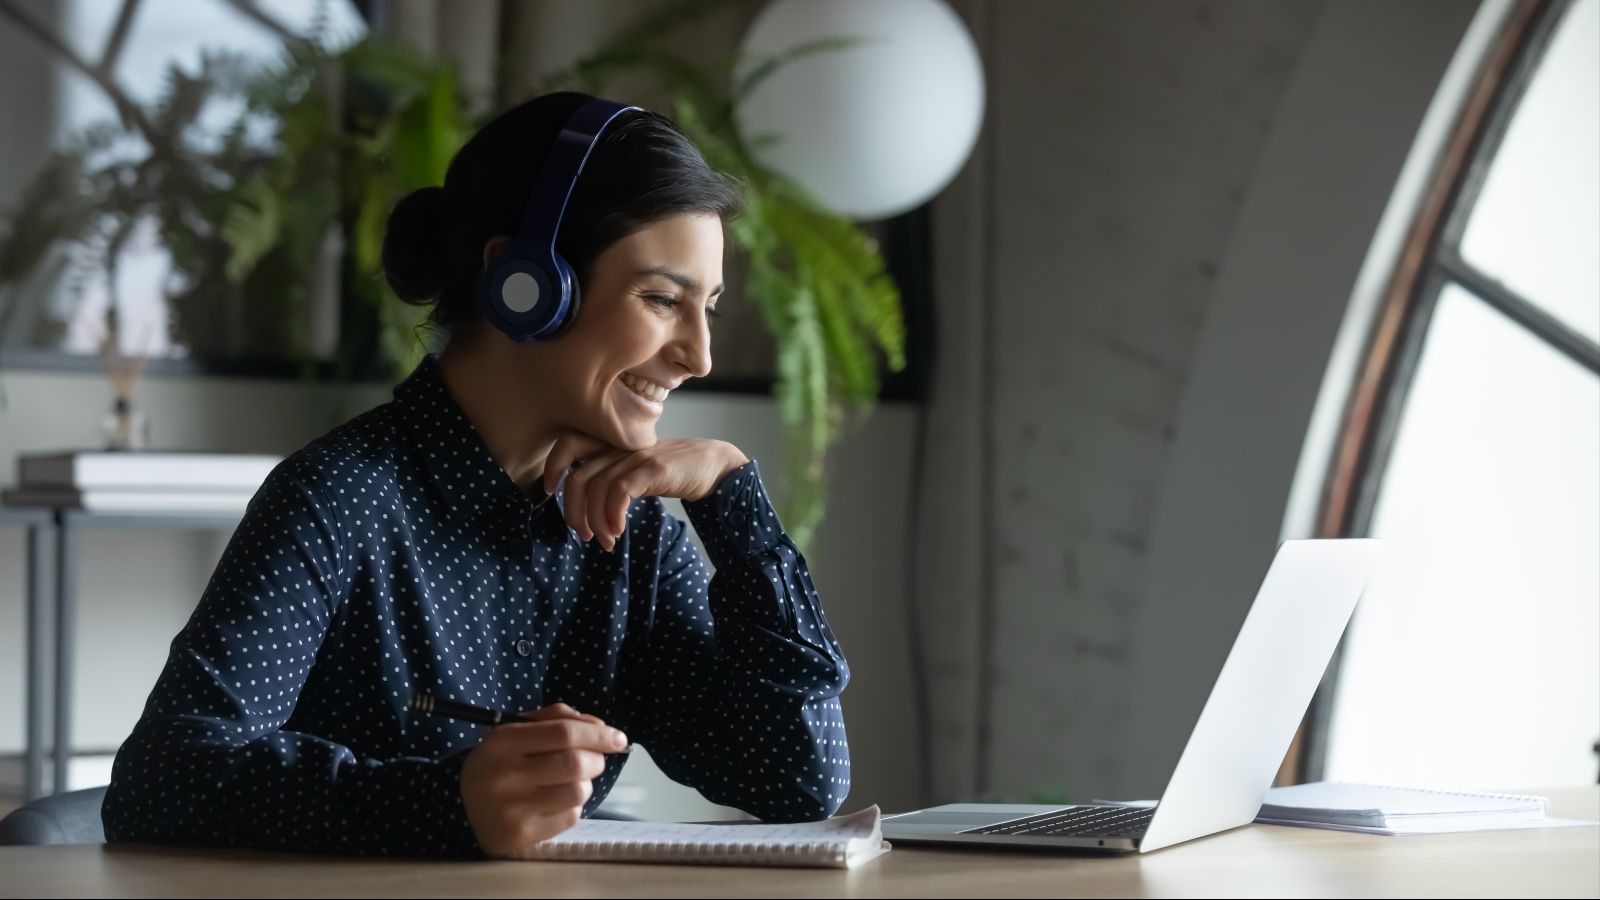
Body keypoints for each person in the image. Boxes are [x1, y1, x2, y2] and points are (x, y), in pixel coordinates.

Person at [101, 92, 852, 858]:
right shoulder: (340, 497)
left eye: (709, 309)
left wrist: (733, 500)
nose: (699, 355)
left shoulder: (632, 532)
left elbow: (797, 780)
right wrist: (448, 804)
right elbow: (163, 780)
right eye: (662, 299)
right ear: (524, 286)